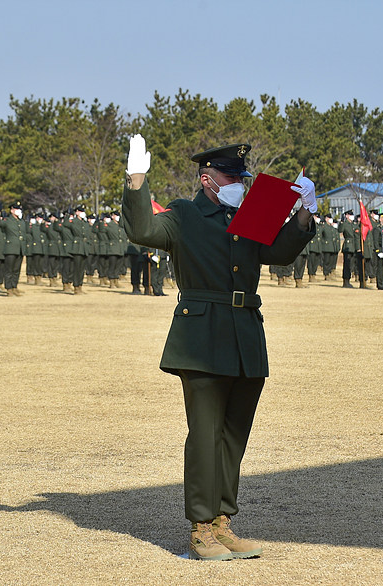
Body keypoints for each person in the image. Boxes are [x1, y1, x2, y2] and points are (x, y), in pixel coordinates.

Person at [121, 135, 315, 562]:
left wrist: (303, 215)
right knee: (205, 434)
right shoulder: (186, 214)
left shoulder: (250, 215)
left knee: (233, 436)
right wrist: (137, 180)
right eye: (232, 177)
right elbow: (142, 229)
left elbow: (278, 253)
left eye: (242, 178)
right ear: (208, 179)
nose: (240, 184)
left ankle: (223, 522)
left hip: (245, 334)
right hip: (203, 337)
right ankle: (200, 527)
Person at [371, 212, 383, 290]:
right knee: (380, 268)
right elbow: (375, 241)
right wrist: (378, 251)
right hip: (380, 250)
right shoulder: (377, 228)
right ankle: (379, 284)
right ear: (381, 219)